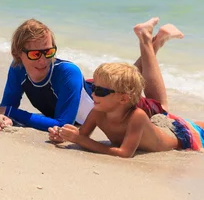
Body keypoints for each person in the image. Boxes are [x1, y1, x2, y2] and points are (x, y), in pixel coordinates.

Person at [48, 18, 203, 157]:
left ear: (123, 98)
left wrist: (79, 139)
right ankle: (151, 41)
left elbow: (124, 153)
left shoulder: (137, 117)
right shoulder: (98, 111)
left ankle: (150, 41)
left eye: (101, 91)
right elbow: (82, 136)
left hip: (183, 136)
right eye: (94, 88)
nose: (93, 94)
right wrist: (64, 135)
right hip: (161, 125)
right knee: (163, 109)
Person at [0, 19, 93, 132]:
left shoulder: (68, 73)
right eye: (35, 54)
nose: (43, 60)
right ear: (18, 54)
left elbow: (64, 125)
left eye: (49, 52)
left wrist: (10, 112)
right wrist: (5, 118)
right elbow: (7, 108)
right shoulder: (18, 68)